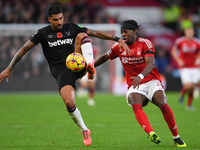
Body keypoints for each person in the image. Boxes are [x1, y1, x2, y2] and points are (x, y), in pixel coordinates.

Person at [0, 5, 130, 146]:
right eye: (56, 20)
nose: (59, 22)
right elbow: (24, 49)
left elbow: (96, 33)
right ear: (49, 19)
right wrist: (9, 68)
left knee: (82, 35)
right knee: (69, 102)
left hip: (77, 61)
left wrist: (118, 39)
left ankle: (89, 64)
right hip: (61, 71)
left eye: (61, 18)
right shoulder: (43, 33)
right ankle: (85, 129)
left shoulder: (71, 27)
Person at [94, 20, 186, 147]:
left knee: (162, 103)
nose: (123, 35)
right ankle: (151, 133)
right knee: (134, 102)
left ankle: (176, 137)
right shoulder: (119, 47)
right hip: (135, 85)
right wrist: (91, 66)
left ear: (135, 31)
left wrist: (140, 76)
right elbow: (105, 56)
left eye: (126, 32)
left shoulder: (145, 43)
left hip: (151, 81)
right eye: (122, 32)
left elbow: (151, 63)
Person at [171, 26, 200, 111]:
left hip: (195, 67)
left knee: (193, 86)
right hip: (184, 67)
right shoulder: (180, 41)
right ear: (185, 32)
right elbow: (173, 51)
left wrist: (198, 59)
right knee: (188, 85)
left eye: (191, 32)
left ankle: (189, 105)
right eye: (188, 31)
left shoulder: (197, 42)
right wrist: (178, 60)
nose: (189, 33)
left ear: (193, 33)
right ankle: (182, 94)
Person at [77, 42, 99, 106]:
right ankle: (81, 90)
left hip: (91, 68)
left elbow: (97, 56)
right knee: (84, 84)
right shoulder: (81, 49)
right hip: (83, 68)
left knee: (92, 84)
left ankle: (90, 99)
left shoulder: (94, 48)